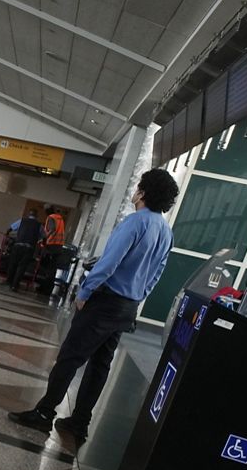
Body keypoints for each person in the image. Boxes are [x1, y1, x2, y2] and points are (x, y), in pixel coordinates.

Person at [9, 169, 179, 443]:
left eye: (138, 186)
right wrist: (139, 294)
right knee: (100, 364)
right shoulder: (165, 232)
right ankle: (79, 422)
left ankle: (43, 413)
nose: (135, 190)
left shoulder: (135, 222)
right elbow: (157, 273)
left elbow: (109, 262)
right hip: (128, 306)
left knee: (70, 357)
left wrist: (86, 290)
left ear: (143, 192)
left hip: (106, 301)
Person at [6, 210, 41, 291]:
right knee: (22, 266)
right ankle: (15, 285)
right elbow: (44, 236)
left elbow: (10, 228)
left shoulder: (22, 221)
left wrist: (8, 235)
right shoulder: (39, 225)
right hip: (29, 248)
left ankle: (9, 281)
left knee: (13, 263)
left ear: (29, 214)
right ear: (36, 216)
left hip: (18, 245)